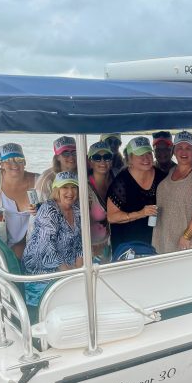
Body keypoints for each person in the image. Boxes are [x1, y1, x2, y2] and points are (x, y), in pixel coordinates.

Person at [22, 171, 83, 317]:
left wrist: (80, 266)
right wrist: (68, 273)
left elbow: (81, 239)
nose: (70, 192)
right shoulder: (49, 210)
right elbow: (46, 246)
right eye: (65, 188)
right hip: (42, 266)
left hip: (67, 264)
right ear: (56, 190)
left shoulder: (76, 209)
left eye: (73, 187)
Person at [106, 136, 167, 257]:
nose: (146, 158)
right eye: (140, 154)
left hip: (155, 241)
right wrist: (141, 213)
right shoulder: (121, 182)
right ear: (129, 159)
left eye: (148, 153)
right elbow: (111, 217)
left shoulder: (162, 177)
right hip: (127, 244)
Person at [152, 131, 192, 253]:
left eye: (188, 148)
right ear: (173, 150)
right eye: (180, 148)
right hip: (169, 241)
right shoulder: (172, 170)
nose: (184, 152)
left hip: (190, 243)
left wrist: (187, 235)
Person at [87, 141, 114, 262]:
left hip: (114, 244)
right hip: (92, 249)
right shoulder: (83, 187)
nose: (102, 162)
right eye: (97, 158)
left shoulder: (118, 180)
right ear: (90, 162)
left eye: (107, 157)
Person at [34, 136, 77, 202]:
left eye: (74, 152)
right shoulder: (46, 179)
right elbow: (38, 207)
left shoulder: (83, 172)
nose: (71, 156)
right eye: (65, 153)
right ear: (57, 157)